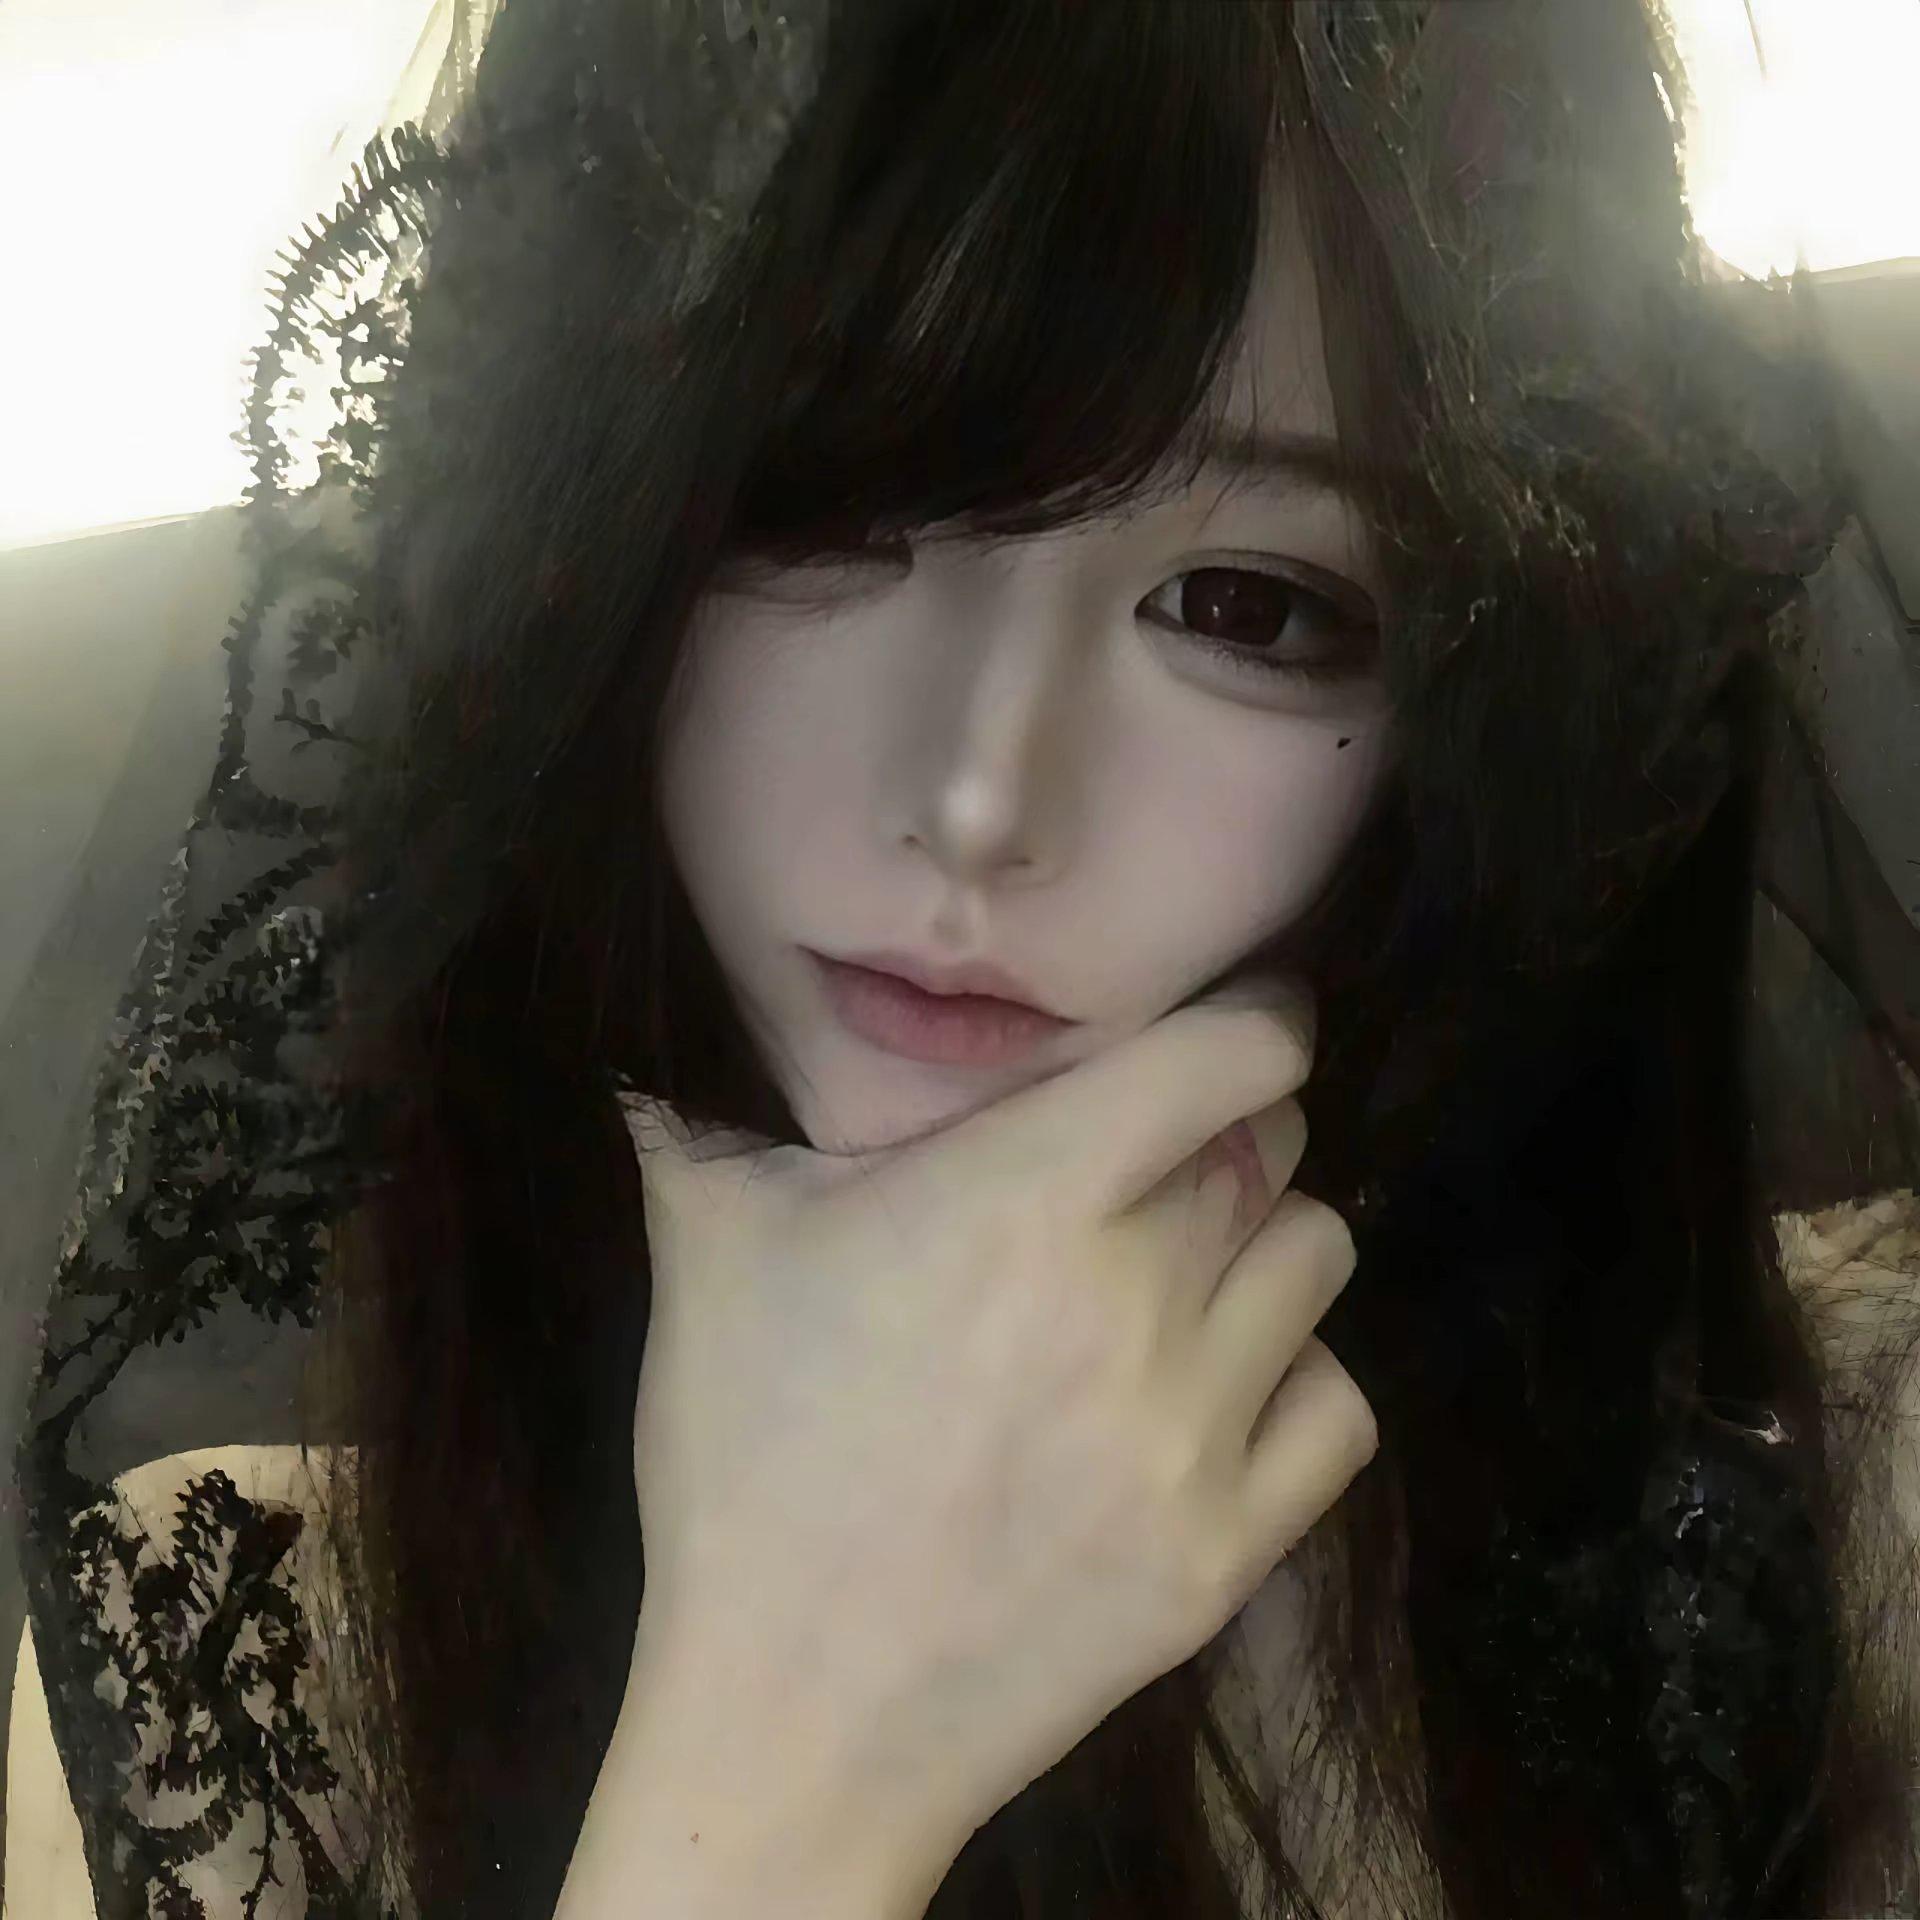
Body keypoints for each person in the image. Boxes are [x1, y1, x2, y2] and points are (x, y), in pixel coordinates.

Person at [9, 2, 1920, 1916]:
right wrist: (790, 1750)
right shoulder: (249, 1659)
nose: (980, 796)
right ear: (579, 529)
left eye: (1247, 606)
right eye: (819, 503)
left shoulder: (1841, 1521)